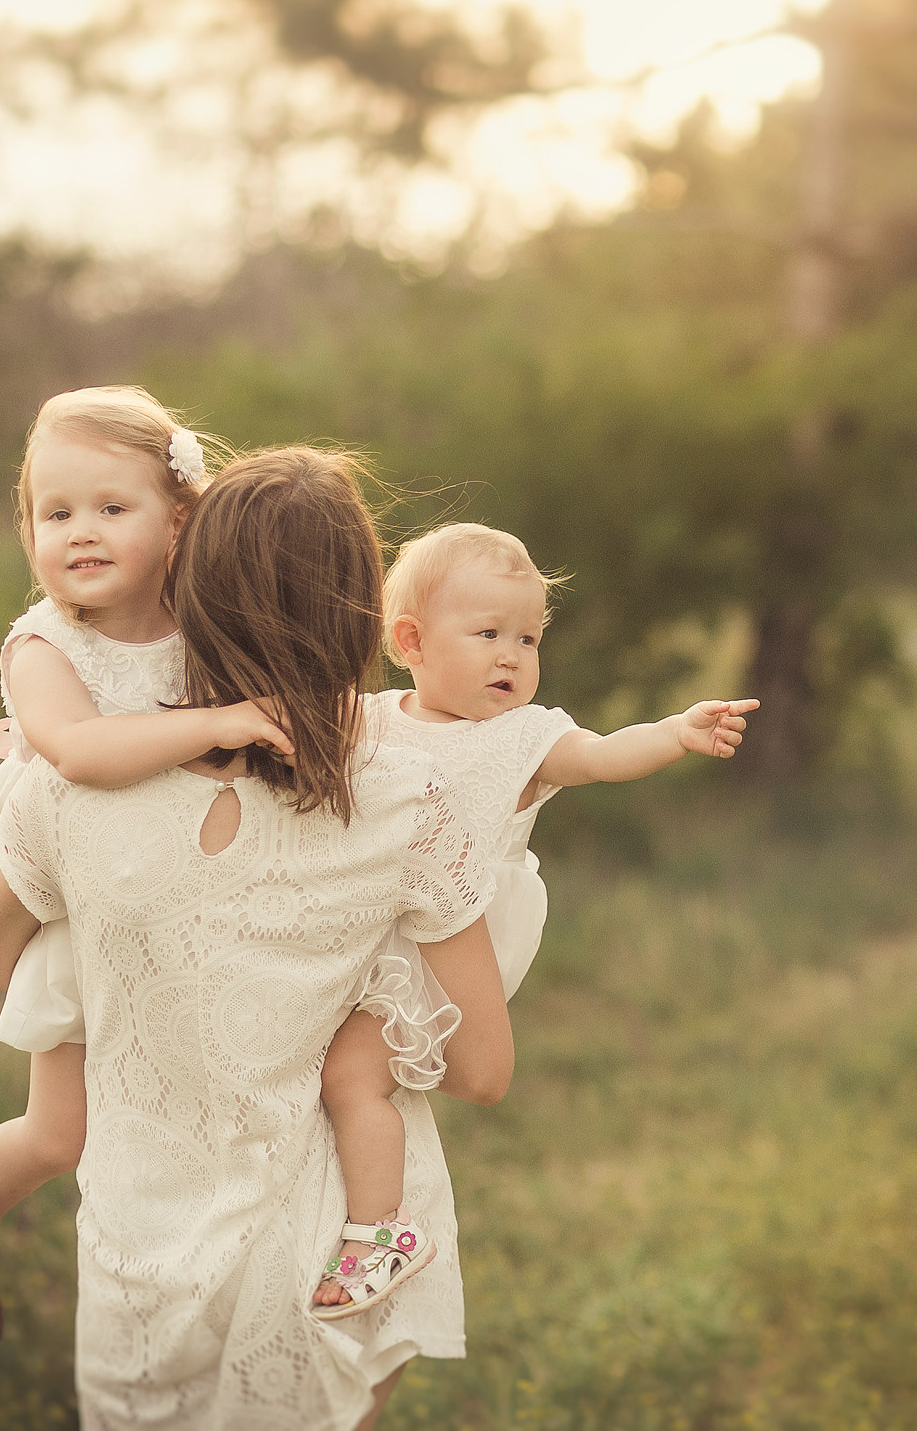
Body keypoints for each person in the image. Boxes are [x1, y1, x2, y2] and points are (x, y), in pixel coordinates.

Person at [0, 448, 513, 1429]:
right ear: (362, 615)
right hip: (335, 1243)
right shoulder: (406, 802)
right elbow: (481, 1071)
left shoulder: (68, 789)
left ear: (186, 597)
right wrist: (368, 994)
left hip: (143, 1257)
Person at [0, 386, 292, 1350]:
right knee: (62, 1133)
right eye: (56, 512)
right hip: (70, 903)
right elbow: (79, 751)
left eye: (111, 508)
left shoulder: (204, 622)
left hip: (174, 901)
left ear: (180, 517)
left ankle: (210, 1303)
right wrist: (212, 724)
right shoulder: (45, 642)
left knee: (187, 1120)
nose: (80, 532)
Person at [310, 522, 757, 1315]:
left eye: (527, 637)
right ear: (411, 639)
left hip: (453, 944)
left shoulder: (524, 736)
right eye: (488, 635)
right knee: (325, 1060)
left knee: (352, 1076)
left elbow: (601, 753)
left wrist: (672, 734)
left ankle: (381, 1229)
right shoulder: (372, 718)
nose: (512, 656)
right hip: (375, 922)